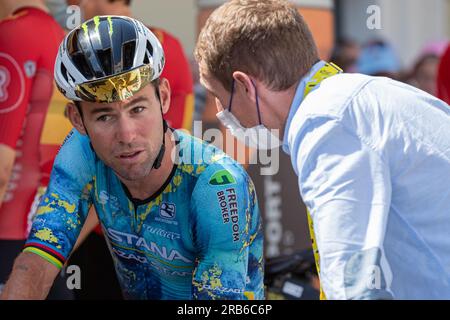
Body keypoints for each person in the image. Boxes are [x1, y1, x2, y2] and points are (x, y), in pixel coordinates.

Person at [195, 0, 450, 299]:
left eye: (216, 94)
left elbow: (350, 283)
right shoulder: (347, 99)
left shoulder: (326, 121)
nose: (218, 109)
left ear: (245, 85)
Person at [0, 15, 263, 300]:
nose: (126, 135)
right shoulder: (80, 152)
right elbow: (36, 261)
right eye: (104, 116)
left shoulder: (215, 184)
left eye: (137, 109)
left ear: (163, 97)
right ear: (77, 120)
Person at [0, 0, 73, 299]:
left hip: (8, 235)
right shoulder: (62, 40)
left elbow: (2, 163)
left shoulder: (13, 33)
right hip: (46, 236)